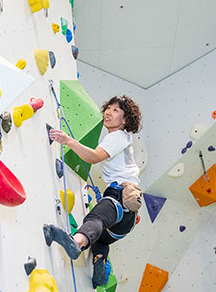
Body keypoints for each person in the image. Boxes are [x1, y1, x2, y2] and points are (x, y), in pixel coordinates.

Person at [43, 95, 143, 288]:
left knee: (95, 219)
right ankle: (99, 267)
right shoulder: (123, 139)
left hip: (119, 196)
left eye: (116, 110)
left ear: (125, 120)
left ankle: (76, 243)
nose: (108, 112)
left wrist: (68, 141)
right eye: (108, 108)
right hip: (126, 221)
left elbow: (95, 157)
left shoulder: (118, 136)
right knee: (100, 240)